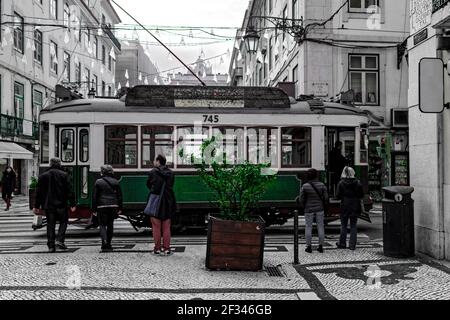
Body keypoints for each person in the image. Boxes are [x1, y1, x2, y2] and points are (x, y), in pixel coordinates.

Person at [33, 158, 76, 253]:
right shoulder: (64, 175)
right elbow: (69, 190)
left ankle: (51, 245)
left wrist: (36, 206)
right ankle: (60, 240)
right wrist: (73, 203)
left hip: (48, 205)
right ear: (59, 164)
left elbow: (38, 193)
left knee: (50, 224)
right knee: (64, 222)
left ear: (50, 164)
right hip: (61, 204)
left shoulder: (43, 176)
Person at [145, 155, 176, 256]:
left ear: (158, 161)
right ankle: (167, 249)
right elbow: (171, 185)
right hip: (167, 200)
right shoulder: (171, 173)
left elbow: (148, 184)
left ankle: (157, 249)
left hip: (155, 201)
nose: (154, 162)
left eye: (155, 160)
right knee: (167, 227)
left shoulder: (152, 172)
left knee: (156, 227)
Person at [92, 165, 123, 252]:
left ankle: (104, 242)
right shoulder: (115, 182)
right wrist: (120, 207)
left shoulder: (98, 182)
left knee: (102, 225)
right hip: (113, 206)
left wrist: (94, 209)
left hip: (102, 206)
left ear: (102, 172)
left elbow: (94, 197)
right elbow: (119, 196)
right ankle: (109, 243)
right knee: (110, 224)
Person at [299, 169, 328, 254]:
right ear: (316, 175)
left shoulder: (305, 186)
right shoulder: (322, 185)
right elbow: (326, 198)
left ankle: (309, 247)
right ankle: (321, 246)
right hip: (320, 209)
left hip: (308, 209)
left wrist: (304, 206)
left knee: (308, 226)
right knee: (320, 226)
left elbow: (301, 199)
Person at [336, 166, 364, 251]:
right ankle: (352, 245)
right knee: (353, 226)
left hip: (344, 205)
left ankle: (342, 243)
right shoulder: (358, 182)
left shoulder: (341, 183)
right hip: (355, 205)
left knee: (343, 225)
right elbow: (361, 195)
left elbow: (338, 196)